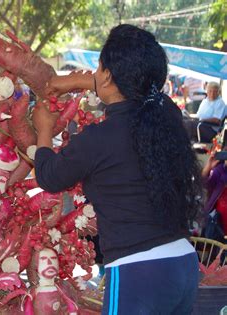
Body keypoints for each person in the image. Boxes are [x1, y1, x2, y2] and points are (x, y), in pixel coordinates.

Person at [33, 24, 201, 314]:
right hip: (183, 263)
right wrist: (76, 81)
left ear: (108, 76)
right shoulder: (167, 115)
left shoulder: (97, 140)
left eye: (99, 69)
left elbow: (48, 176)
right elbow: (142, 91)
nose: (96, 75)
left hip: (137, 272)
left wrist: (43, 130)